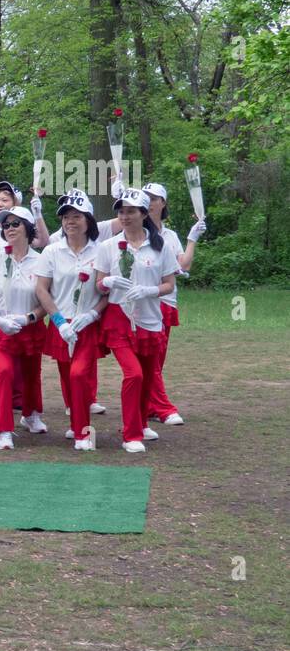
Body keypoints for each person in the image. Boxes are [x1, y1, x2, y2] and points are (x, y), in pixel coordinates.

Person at [92, 189, 179, 453]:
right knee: (134, 374)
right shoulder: (108, 246)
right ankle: (131, 435)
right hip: (119, 317)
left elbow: (169, 284)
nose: (125, 216)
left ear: (143, 213)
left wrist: (149, 291)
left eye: (131, 211)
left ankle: (140, 423)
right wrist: (107, 281)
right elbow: (98, 284)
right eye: (121, 211)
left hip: (150, 318)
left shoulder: (160, 246)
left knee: (148, 375)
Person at [34, 191, 106, 451]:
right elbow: (42, 289)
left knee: (79, 375)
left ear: (88, 220)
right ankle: (77, 420)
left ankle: (83, 432)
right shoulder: (52, 251)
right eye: (66, 217)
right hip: (61, 323)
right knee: (67, 375)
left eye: (76, 216)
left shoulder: (102, 251)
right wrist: (58, 320)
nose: (70, 222)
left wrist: (92, 314)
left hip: (88, 324)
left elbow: (107, 291)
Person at [0, 206, 48, 449]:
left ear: (28, 228)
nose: (9, 229)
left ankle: (30, 414)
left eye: (15, 224)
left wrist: (29, 318)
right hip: (0, 327)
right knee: (4, 372)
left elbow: (45, 301)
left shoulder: (41, 261)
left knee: (31, 373)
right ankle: (4, 429)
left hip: (29, 327)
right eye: (6, 225)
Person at [143, 181, 206, 426]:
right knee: (151, 358)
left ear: (163, 203)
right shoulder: (139, 233)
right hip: (149, 302)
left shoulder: (170, 236)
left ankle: (147, 405)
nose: (149, 202)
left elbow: (184, 265)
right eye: (145, 197)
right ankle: (163, 408)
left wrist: (192, 237)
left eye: (154, 198)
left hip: (168, 301)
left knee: (157, 361)